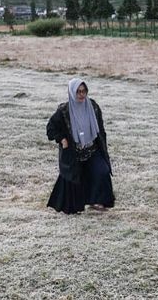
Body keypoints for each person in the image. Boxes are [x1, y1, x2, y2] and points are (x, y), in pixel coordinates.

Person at [46, 78, 115, 214]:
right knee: (73, 179)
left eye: (84, 91)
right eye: (78, 92)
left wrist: (102, 144)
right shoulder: (64, 111)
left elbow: (100, 129)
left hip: (92, 149)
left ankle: (98, 202)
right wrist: (62, 140)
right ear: (72, 93)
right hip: (74, 152)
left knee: (102, 171)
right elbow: (51, 129)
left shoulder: (93, 107)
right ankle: (73, 206)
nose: (81, 95)